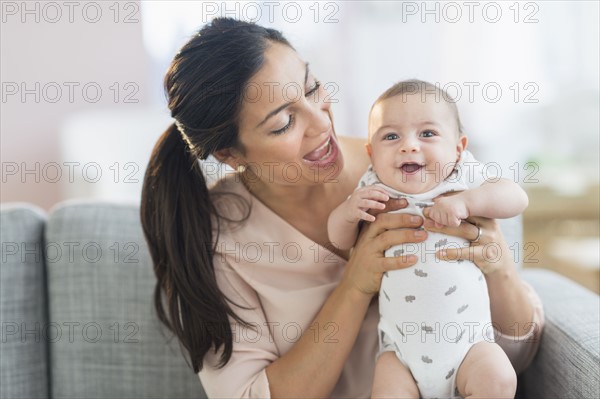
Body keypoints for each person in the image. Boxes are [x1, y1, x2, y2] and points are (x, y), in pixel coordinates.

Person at [140, 18, 544, 398]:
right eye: (283, 123)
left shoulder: (421, 166)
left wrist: (499, 267)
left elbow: (518, 358)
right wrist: (354, 286)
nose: (321, 125)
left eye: (313, 87)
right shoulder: (215, 239)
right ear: (230, 154)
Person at [328, 79, 529, 398]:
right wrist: (348, 213)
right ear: (371, 153)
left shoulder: (463, 176)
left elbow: (516, 197)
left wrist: (467, 202)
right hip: (401, 354)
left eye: (427, 134)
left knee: (499, 379)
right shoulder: (374, 187)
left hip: (469, 346)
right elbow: (338, 238)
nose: (408, 145)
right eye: (391, 136)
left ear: (459, 147)